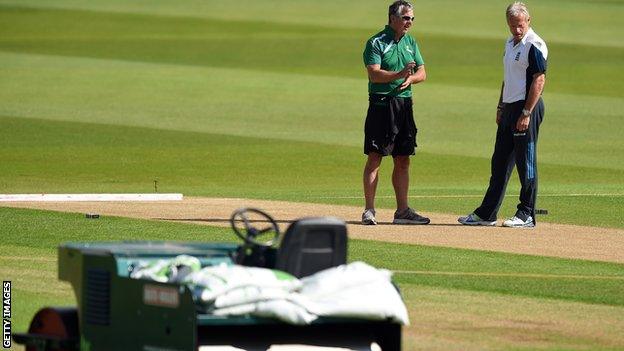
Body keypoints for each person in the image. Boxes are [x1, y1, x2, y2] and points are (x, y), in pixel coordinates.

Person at [459, 2, 548, 228]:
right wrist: (500, 107)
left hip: (526, 107)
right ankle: (487, 213)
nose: (516, 30)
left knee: (525, 162)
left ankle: (526, 213)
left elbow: (539, 79)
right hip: (509, 108)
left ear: (528, 21)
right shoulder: (510, 43)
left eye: (520, 25)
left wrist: (526, 112)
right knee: (499, 162)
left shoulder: (534, 44)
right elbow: (507, 78)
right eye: (512, 26)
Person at [361, 0, 429, 225]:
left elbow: (422, 72)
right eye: (406, 18)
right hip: (382, 104)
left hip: (404, 105)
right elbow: (374, 75)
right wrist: (399, 74)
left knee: (403, 159)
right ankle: (369, 210)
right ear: (393, 18)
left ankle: (402, 211)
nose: (409, 22)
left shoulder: (410, 41)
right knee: (375, 156)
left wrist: (411, 78)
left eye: (411, 18)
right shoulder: (376, 42)